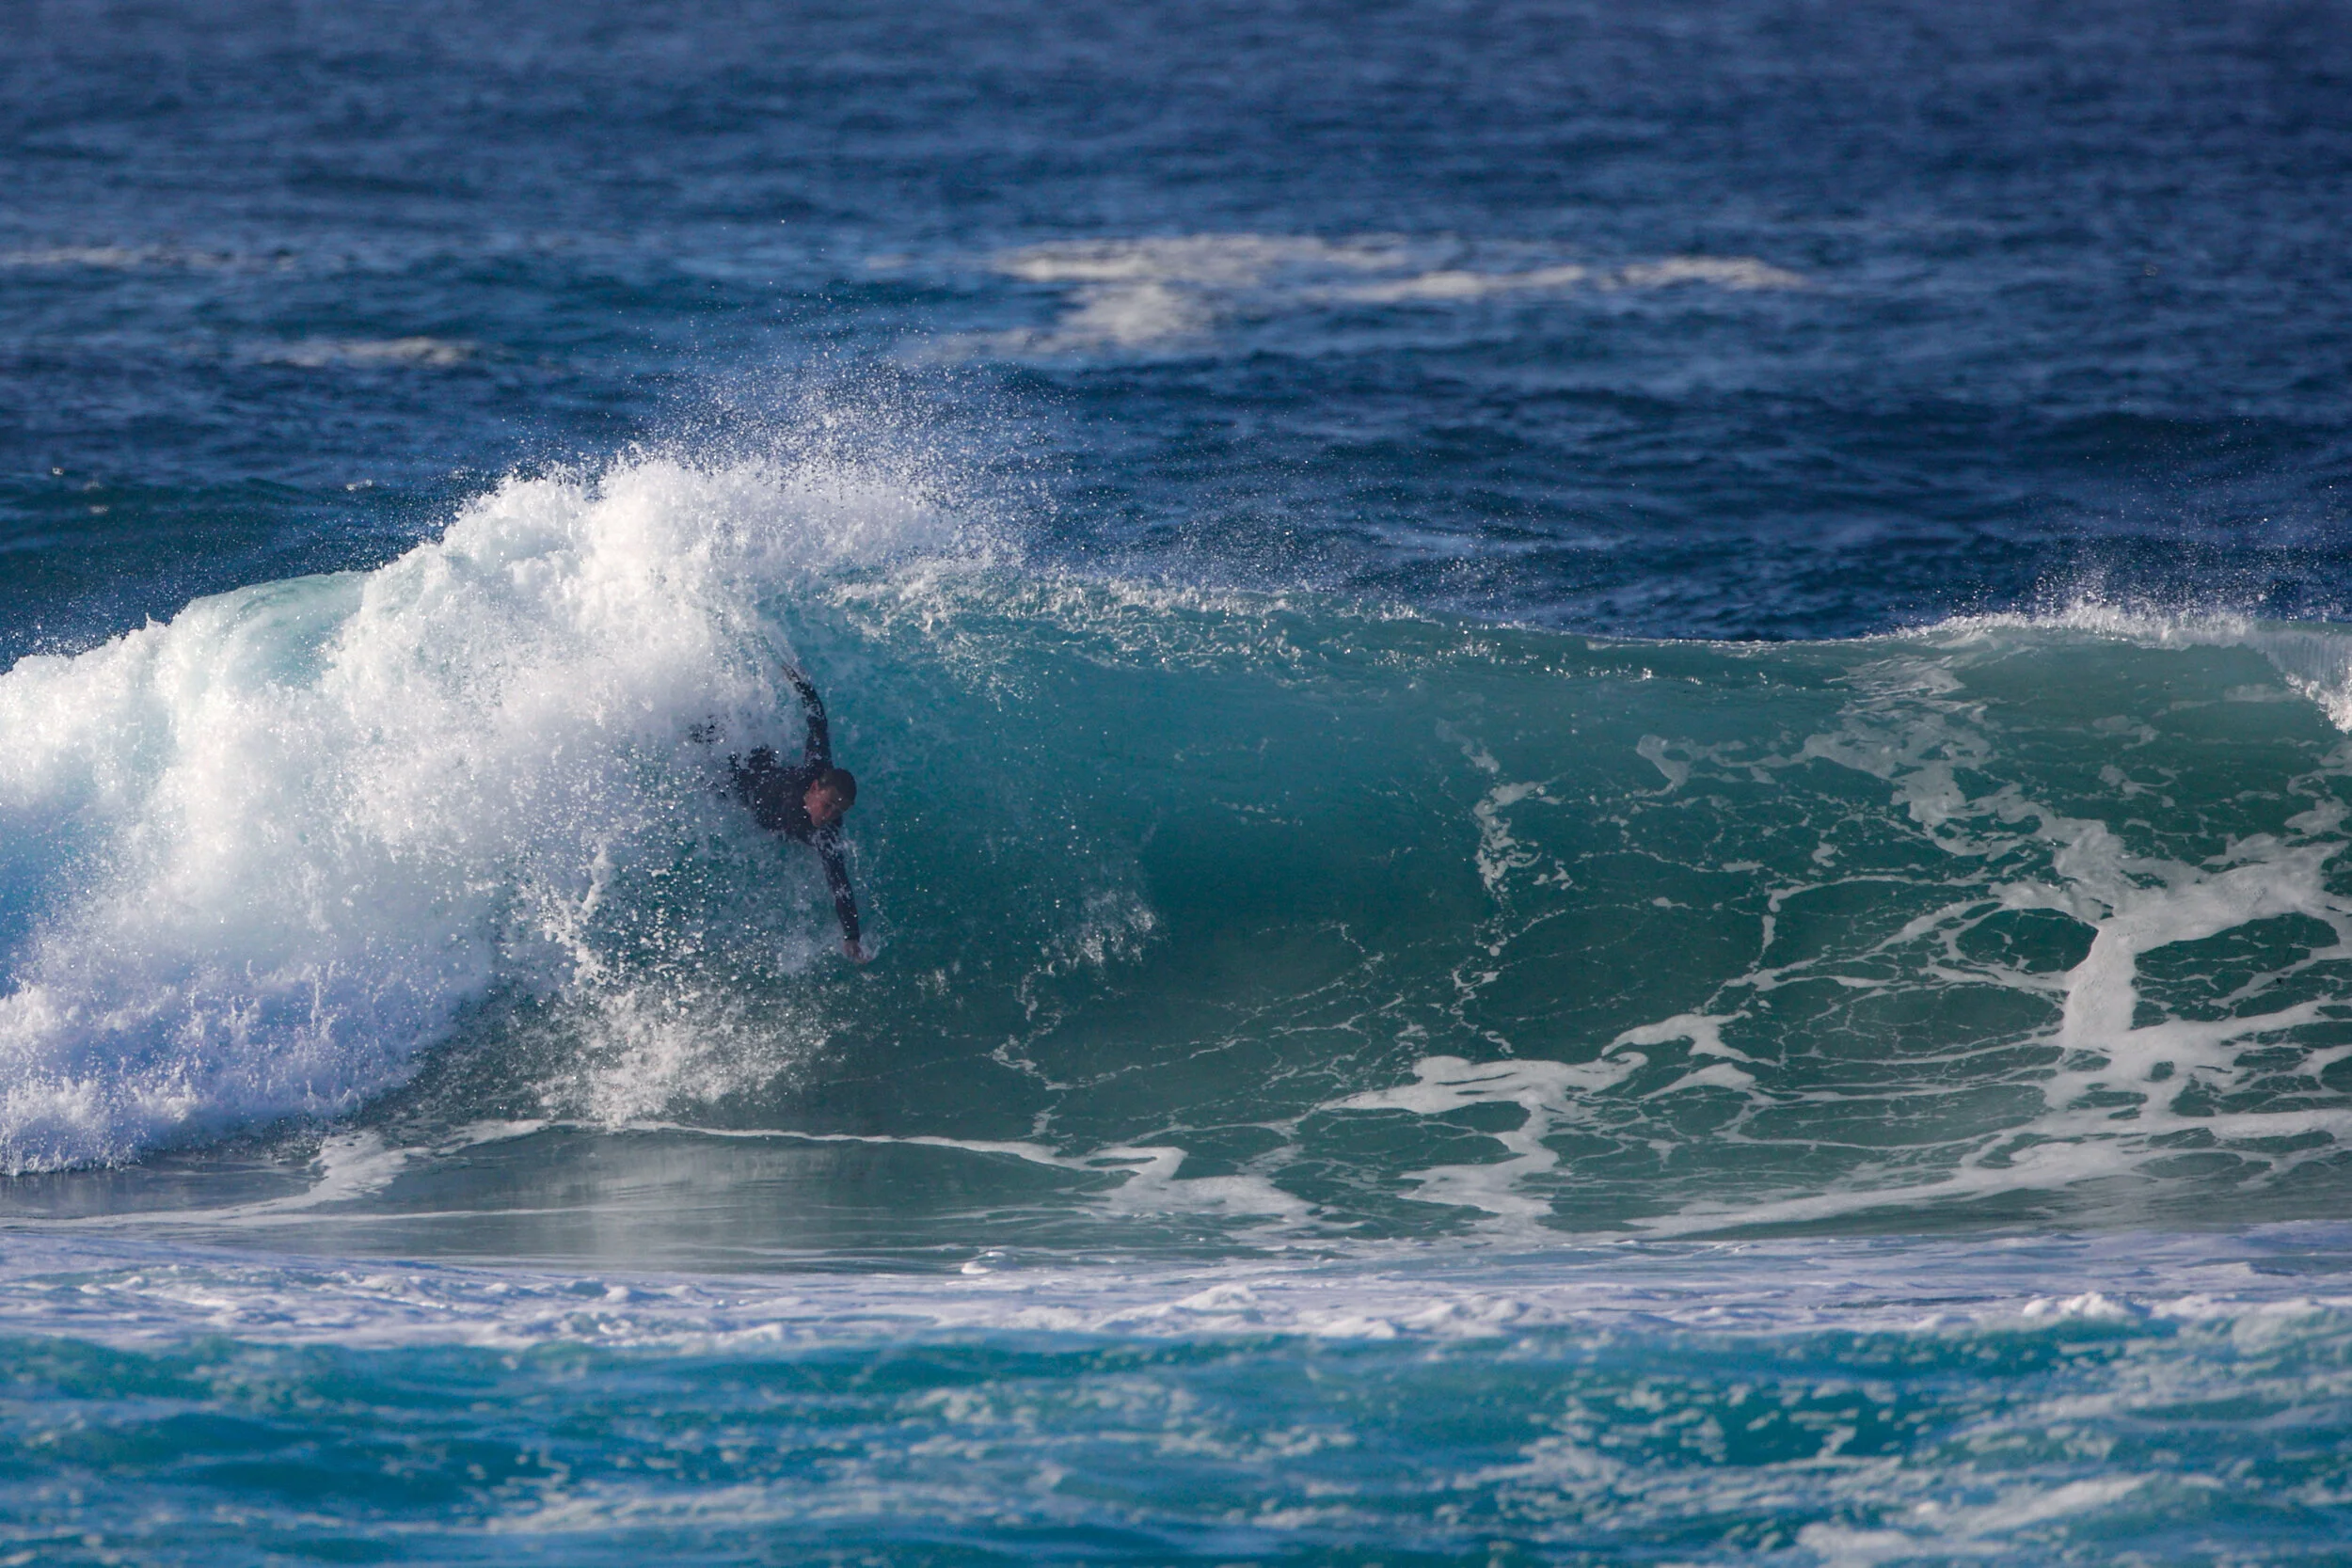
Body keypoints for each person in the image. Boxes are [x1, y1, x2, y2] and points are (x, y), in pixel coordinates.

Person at [718, 663, 868, 961]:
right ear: (814, 788)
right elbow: (818, 726)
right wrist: (803, 685)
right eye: (827, 805)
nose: (829, 816)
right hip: (744, 772)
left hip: (749, 801)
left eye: (838, 811)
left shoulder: (827, 834)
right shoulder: (815, 769)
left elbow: (840, 884)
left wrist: (851, 936)